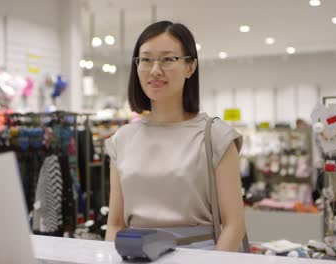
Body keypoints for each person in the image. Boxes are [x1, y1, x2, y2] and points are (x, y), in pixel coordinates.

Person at [104, 21, 247, 252]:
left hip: (200, 257)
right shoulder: (122, 139)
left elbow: (234, 225)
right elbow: (115, 224)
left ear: (190, 67)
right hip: (135, 255)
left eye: (168, 59)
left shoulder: (215, 136)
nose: (155, 70)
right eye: (146, 59)